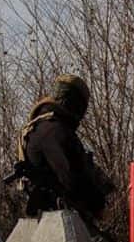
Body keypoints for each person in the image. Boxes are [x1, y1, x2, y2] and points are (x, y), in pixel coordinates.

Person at [7, 74, 114, 223]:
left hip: (52, 218)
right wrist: (97, 205)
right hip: (57, 220)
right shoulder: (54, 131)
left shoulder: (43, 128)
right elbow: (71, 175)